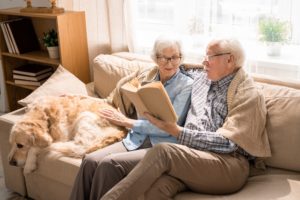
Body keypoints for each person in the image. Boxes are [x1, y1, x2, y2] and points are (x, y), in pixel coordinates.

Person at [100, 38, 271, 200]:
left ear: (230, 60)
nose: (204, 61)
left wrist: (178, 131)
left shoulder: (248, 94)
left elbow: (230, 143)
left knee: (164, 151)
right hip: (193, 158)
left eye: (209, 57)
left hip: (228, 164)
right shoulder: (201, 78)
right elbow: (176, 68)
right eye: (204, 56)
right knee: (156, 189)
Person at [69, 36, 193, 200]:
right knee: (90, 161)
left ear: (181, 57)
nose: (170, 63)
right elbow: (124, 104)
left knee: (107, 166)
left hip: (161, 146)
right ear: (156, 58)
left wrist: (126, 122)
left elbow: (171, 125)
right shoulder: (146, 79)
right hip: (136, 139)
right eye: (164, 58)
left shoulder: (187, 85)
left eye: (175, 57)